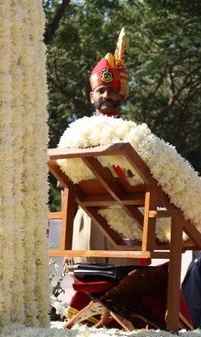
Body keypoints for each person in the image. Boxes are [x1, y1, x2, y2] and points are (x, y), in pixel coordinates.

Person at [71, 28, 139, 266]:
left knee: (120, 294)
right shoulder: (77, 134)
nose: (106, 95)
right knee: (86, 289)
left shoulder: (134, 134)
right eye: (101, 90)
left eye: (111, 90)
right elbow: (67, 184)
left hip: (124, 219)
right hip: (87, 218)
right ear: (92, 97)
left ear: (121, 94)